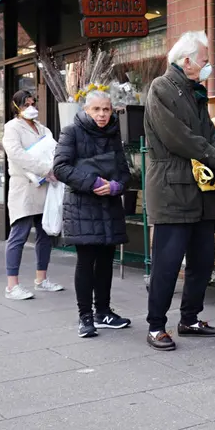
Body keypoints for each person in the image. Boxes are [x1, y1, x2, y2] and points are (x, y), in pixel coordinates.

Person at [144, 31, 215, 351]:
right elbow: (175, 136)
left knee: (203, 259)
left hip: (199, 189)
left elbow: (210, 132)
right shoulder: (162, 88)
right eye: (205, 61)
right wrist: (213, 156)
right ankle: (155, 326)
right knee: (168, 261)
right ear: (188, 61)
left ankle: (190, 318)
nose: (208, 66)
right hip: (172, 188)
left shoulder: (195, 92)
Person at [53, 90, 131, 338]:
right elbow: (60, 168)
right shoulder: (71, 132)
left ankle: (104, 312)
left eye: (106, 109)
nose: (102, 114)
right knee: (86, 262)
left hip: (108, 205)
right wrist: (94, 182)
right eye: (96, 109)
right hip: (81, 206)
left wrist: (117, 186)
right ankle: (85, 316)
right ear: (86, 110)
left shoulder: (113, 133)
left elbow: (124, 170)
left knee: (106, 261)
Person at [1, 90, 63, 300]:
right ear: (16, 106)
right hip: (25, 186)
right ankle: (12, 285)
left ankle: (41, 279)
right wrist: (46, 169)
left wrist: (53, 168)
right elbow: (17, 155)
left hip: (45, 186)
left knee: (44, 234)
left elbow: (54, 149)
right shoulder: (11, 128)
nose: (30, 107)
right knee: (19, 234)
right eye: (25, 104)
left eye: (32, 103)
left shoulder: (42, 128)